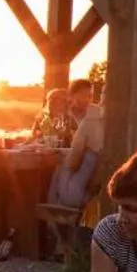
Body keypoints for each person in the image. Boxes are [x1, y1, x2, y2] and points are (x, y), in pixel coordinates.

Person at [46, 78, 105, 208]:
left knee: (60, 167)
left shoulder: (91, 118)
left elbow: (73, 161)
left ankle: (53, 209)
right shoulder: (65, 115)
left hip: (82, 189)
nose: (87, 99)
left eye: (89, 96)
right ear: (72, 95)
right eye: (83, 95)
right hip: (94, 187)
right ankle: (55, 208)